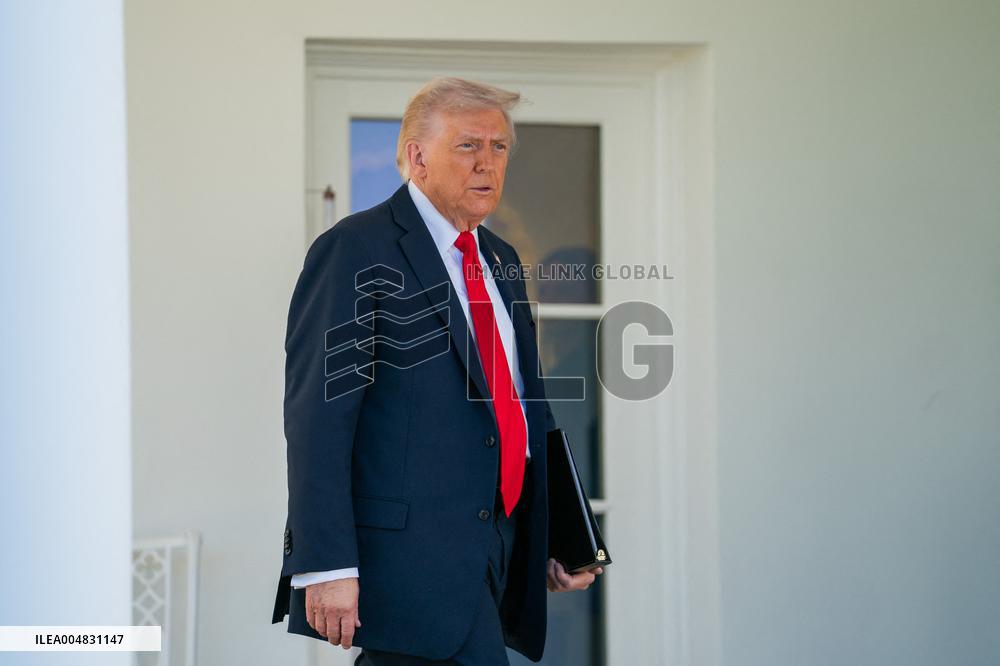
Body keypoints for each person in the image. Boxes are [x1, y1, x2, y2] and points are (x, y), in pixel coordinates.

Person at [271, 76, 603, 665]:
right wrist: (324, 564)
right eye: (468, 145)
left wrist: (552, 533)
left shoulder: (499, 260)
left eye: (499, 147)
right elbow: (318, 417)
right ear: (416, 156)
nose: (488, 163)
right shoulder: (355, 248)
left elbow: (523, 405)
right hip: (406, 561)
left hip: (490, 550)